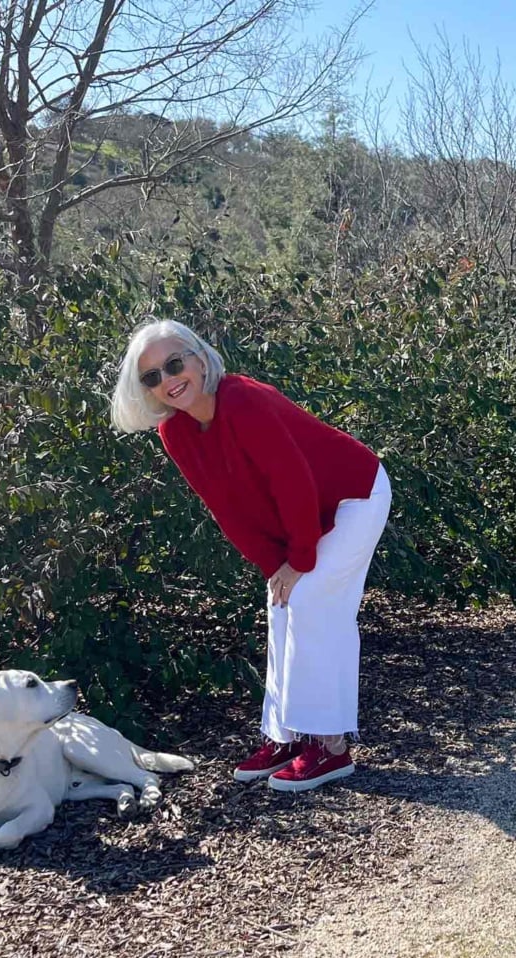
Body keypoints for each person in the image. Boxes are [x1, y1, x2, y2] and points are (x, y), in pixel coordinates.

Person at [111, 319, 392, 793]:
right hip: (307, 513)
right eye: (151, 377)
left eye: (174, 364)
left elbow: (293, 480)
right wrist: (274, 566)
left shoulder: (242, 399)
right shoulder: (175, 432)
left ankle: (331, 748)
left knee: (312, 602)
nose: (167, 381)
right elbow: (226, 508)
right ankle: (286, 736)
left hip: (353, 496)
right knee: (282, 601)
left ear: (199, 359)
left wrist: (299, 559)